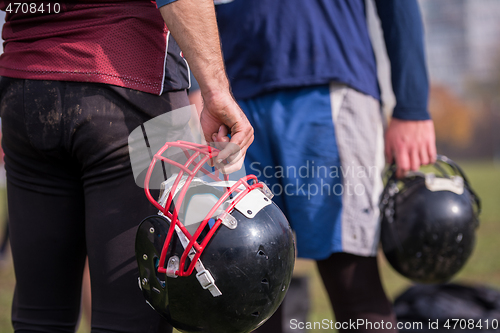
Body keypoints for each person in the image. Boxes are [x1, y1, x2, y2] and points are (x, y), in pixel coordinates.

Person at [0, 0, 253, 332]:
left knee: (39, 316)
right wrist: (216, 92)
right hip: (136, 81)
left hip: (26, 86)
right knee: (134, 316)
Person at [214, 0, 436, 332]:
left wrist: (412, 105)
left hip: (327, 84)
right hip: (231, 99)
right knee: (249, 290)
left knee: (352, 282)